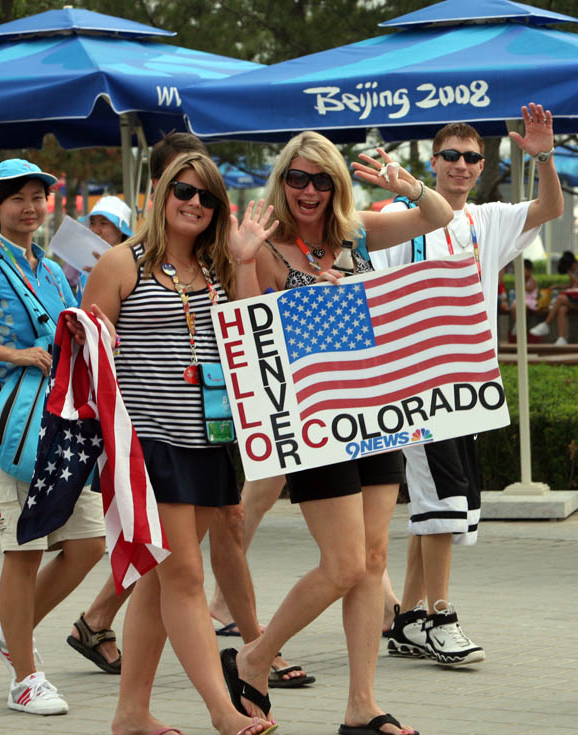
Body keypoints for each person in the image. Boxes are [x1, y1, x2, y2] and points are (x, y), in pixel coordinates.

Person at [221, 130, 452, 735]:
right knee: (346, 562)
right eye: (297, 178)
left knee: (373, 562)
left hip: (374, 410)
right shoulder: (266, 246)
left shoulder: (357, 233)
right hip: (312, 418)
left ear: (337, 186)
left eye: (322, 179)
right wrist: (251, 266)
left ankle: (361, 706)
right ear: (282, 182)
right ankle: (255, 654)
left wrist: (409, 187)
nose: (309, 190)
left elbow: (441, 216)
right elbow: (249, 338)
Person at [82, 151, 276, 735]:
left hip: (208, 438)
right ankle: (222, 710)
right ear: (163, 194)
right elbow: (90, 358)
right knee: (186, 578)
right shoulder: (122, 263)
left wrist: (245, 261)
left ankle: (130, 713)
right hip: (148, 443)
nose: (194, 203)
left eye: (207, 197)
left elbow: (247, 332)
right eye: (184, 192)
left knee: (159, 580)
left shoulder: (218, 265)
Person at [371, 105, 563, 668]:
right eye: (450, 156)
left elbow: (549, 207)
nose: (460, 165)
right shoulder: (397, 217)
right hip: (415, 380)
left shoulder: (487, 219)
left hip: (470, 382)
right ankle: (440, 617)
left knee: (436, 504)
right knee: (444, 501)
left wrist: (544, 156)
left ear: (481, 166)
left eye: (471, 157)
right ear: (432, 161)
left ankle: (408, 618)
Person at [0, 159, 109, 715]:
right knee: (23, 550)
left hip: (58, 423)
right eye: (18, 199)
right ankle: (25, 679)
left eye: (38, 198)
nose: (31, 207)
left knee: (88, 544)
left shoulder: (54, 270)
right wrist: (6, 354)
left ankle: (13, 631)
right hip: (8, 425)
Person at [529, 249, 578, 344]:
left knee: (560, 298)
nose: (571, 272)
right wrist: (557, 286)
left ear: (573, 264)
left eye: (570, 269)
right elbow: (572, 286)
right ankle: (562, 338)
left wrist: (570, 274)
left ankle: (546, 324)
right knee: (562, 308)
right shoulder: (574, 269)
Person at [73, 196, 134, 302]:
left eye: (103, 223)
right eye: (92, 223)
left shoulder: (133, 265)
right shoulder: (87, 266)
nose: (96, 230)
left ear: (120, 230)